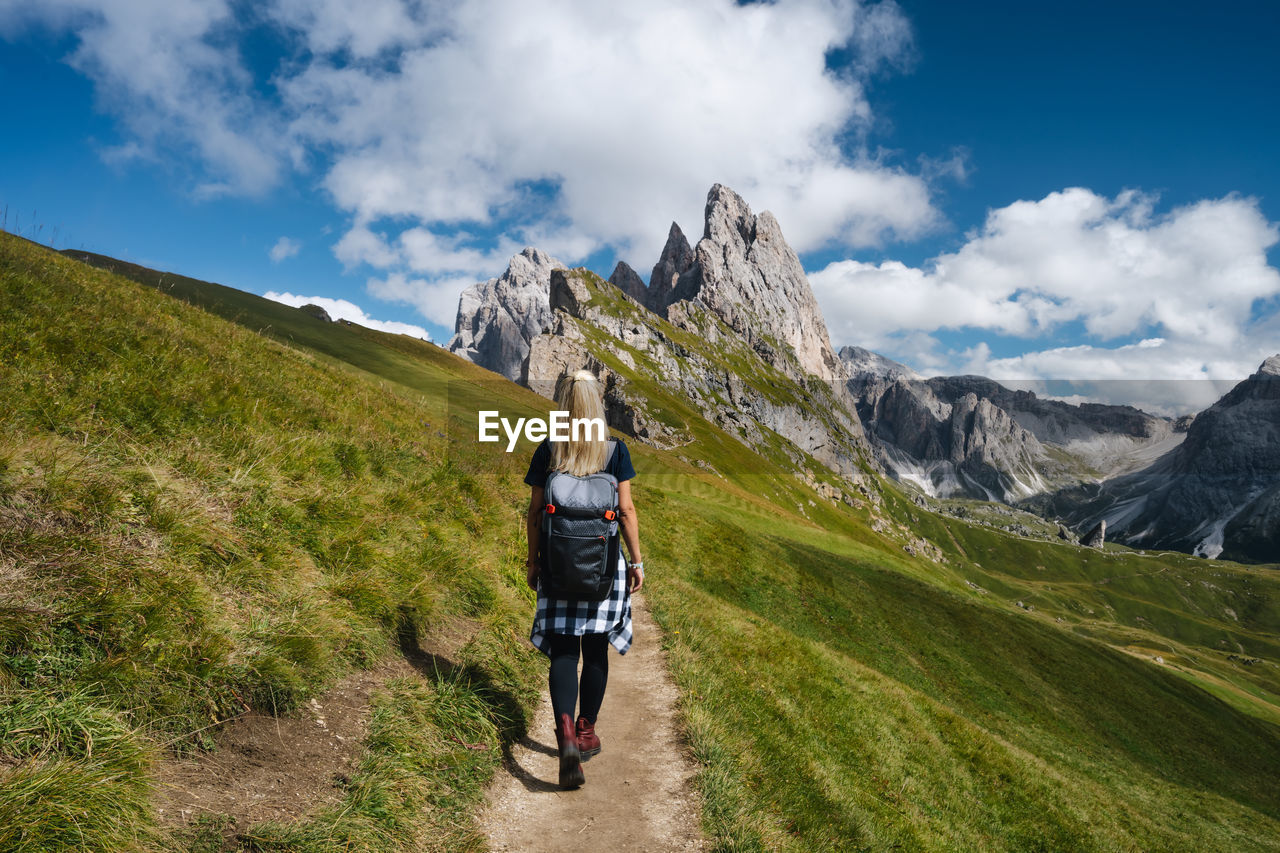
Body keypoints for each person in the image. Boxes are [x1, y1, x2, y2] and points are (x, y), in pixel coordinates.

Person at [524, 369, 644, 789]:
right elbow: (626, 512)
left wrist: (533, 561)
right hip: (602, 569)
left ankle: (565, 736)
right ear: (597, 405)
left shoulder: (549, 449)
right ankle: (586, 729)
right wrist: (637, 561)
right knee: (595, 651)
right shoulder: (615, 452)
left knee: (563, 650)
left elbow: (535, 513)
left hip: (557, 566)